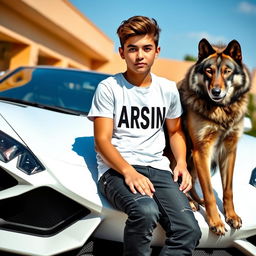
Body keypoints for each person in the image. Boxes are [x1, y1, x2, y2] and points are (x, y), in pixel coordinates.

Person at [88, 15, 201, 256]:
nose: (140, 56)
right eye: (132, 49)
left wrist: (181, 162)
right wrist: (129, 172)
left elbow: (175, 131)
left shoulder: (168, 89)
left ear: (157, 51)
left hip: (159, 169)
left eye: (146, 48)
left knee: (189, 229)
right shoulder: (109, 88)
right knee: (146, 211)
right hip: (118, 169)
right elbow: (102, 141)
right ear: (121, 52)